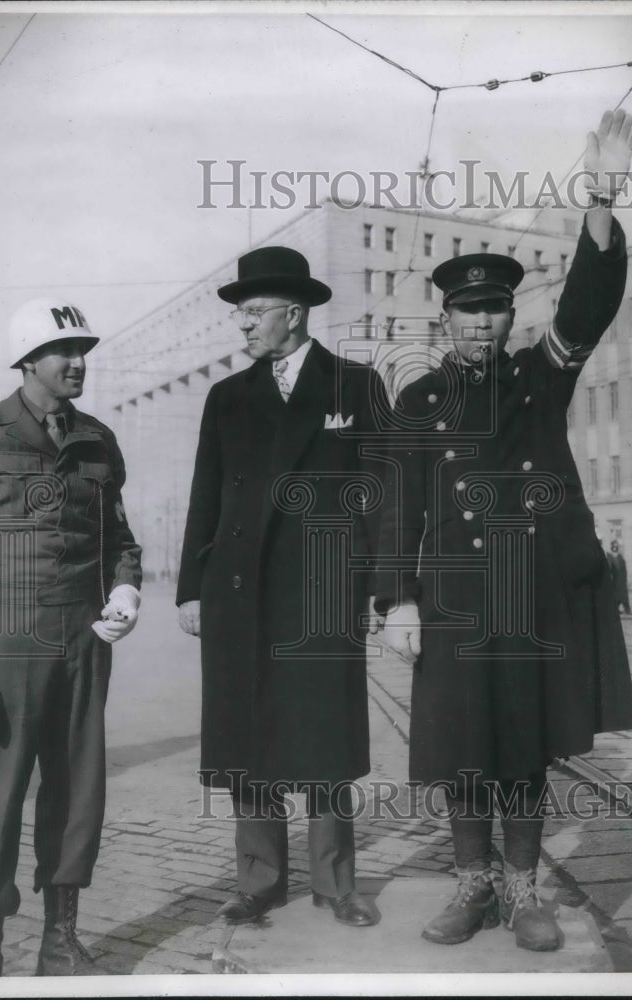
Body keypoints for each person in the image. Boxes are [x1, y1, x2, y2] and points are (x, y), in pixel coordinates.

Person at [376, 110, 632, 952]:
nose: (482, 323)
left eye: (494, 309)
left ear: (505, 315)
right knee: (462, 747)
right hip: (454, 597)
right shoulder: (418, 404)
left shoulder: (541, 375)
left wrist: (599, 194)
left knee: (522, 746)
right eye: (468, 310)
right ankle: (471, 888)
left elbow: (590, 301)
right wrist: (399, 603)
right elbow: (396, 511)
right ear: (446, 319)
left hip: (530, 591)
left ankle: (524, 890)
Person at [177, 246, 389, 928]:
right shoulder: (226, 396)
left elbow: (381, 496)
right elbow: (204, 495)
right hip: (238, 589)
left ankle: (334, 884)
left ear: (293, 315)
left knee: (325, 740)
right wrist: (189, 588)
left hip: (322, 590)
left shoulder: (354, 387)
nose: (241, 326)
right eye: (239, 315)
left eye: (253, 313)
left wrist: (381, 590)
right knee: (246, 737)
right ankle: (259, 880)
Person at [0, 299, 143, 976]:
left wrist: (124, 589)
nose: (79, 363)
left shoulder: (97, 439)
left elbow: (119, 537)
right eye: (64, 352)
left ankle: (61, 940)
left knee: (79, 791)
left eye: (84, 349)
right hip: (7, 643)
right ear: (29, 361)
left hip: (83, 641)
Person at [607, 540, 631, 614]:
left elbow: (624, 568)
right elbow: (609, 568)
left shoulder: (620, 557)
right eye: (614, 545)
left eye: (616, 545)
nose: (615, 547)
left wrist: (625, 579)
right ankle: (615, 609)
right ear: (611, 546)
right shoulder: (609, 557)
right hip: (615, 580)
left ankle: (627, 610)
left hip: (621, 579)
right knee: (615, 596)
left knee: (623, 595)